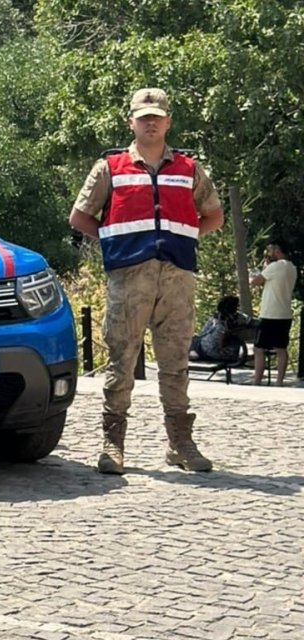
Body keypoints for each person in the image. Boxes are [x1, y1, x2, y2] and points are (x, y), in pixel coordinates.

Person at [68, 88, 224, 475]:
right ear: (131, 122)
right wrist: (115, 241)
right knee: (121, 361)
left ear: (168, 121)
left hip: (176, 277)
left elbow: (213, 216)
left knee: (175, 363)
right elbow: (80, 217)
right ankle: (113, 444)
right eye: (143, 117)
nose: (150, 122)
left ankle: (181, 443)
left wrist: (183, 237)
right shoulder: (110, 168)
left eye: (157, 116)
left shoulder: (189, 169)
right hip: (128, 277)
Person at [251, 242, 297, 385]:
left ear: (277, 250)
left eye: (270, 250)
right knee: (281, 348)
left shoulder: (275, 267)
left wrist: (262, 270)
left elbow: (255, 282)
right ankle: (279, 381)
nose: (268, 253)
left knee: (259, 348)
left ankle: (257, 380)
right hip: (285, 313)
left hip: (270, 313)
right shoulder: (292, 268)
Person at [190, 295, 248, 363]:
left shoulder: (215, 319)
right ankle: (193, 353)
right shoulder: (240, 318)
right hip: (228, 354)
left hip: (209, 351)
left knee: (195, 338)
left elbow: (202, 333)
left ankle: (192, 353)